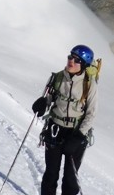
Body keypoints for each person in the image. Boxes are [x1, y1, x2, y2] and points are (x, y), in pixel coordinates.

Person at [32, 45, 98, 195]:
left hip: (76, 133)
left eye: (76, 60)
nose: (71, 61)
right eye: (70, 57)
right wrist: (42, 105)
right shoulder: (56, 78)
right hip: (55, 130)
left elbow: (91, 114)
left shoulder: (89, 85)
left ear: (84, 65)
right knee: (51, 174)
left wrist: (79, 136)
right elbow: (48, 99)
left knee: (70, 179)